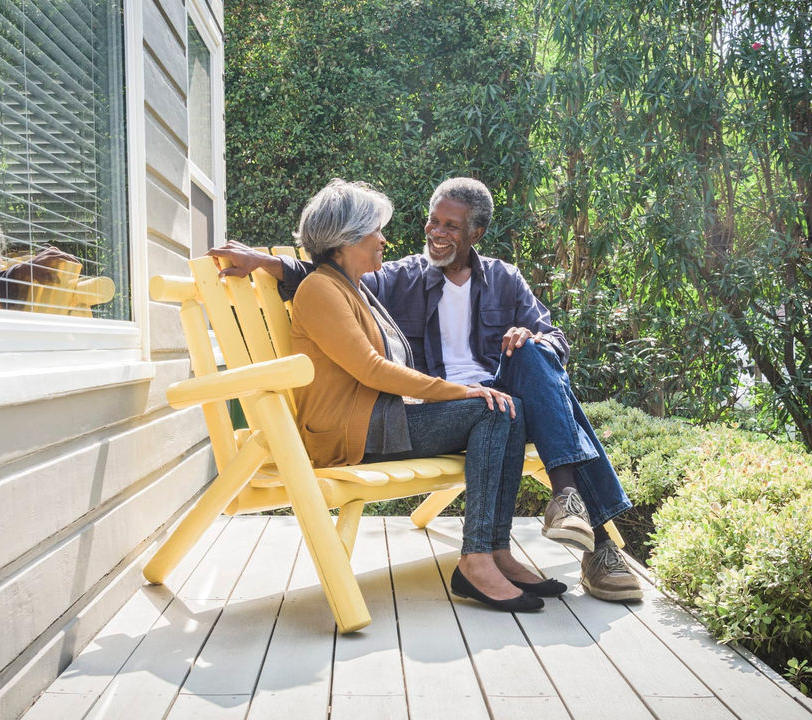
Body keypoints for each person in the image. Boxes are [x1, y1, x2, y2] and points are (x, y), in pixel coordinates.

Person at [211, 178, 644, 602]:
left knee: (533, 358)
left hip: (484, 392)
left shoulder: (505, 279)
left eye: (450, 226)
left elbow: (555, 341)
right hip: (417, 409)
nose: (433, 232)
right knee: (504, 407)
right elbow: (331, 283)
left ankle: (527, 527)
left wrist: (530, 340)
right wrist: (267, 262)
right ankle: (578, 540)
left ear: (477, 232)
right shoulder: (392, 279)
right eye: (432, 222)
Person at [284, 179, 565, 613]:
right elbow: (371, 370)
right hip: (351, 436)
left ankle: (493, 551)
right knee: (493, 409)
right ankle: (477, 559)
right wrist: (459, 392)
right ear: (345, 240)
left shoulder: (355, 288)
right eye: (375, 231)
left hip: (380, 422)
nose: (384, 239)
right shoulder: (322, 289)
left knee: (507, 408)